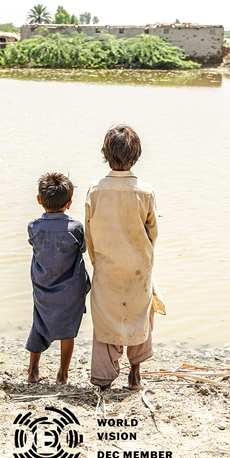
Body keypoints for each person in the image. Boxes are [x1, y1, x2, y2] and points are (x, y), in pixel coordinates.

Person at [85, 124, 165, 391]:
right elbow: (152, 232)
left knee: (105, 319)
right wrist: (141, 257)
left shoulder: (95, 190)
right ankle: (135, 374)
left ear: (105, 153)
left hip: (107, 267)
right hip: (138, 269)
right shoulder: (145, 191)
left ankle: (104, 379)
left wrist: (99, 261)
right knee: (140, 316)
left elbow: (90, 233)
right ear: (137, 155)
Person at [26, 172, 90, 384]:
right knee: (68, 329)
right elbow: (82, 249)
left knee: (39, 323)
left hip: (43, 286)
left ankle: (33, 371)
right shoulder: (76, 227)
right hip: (70, 289)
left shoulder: (34, 227)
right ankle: (62, 374)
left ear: (39, 199)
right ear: (70, 203)